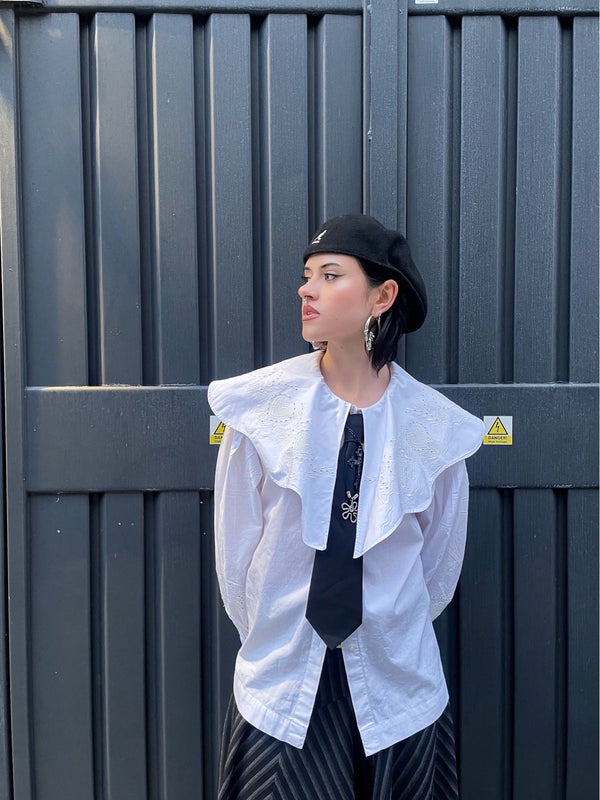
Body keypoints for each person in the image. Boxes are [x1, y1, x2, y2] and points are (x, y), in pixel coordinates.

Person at [208, 214, 485, 800]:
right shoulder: (258, 412)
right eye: (307, 274)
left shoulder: (435, 430)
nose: (306, 289)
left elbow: (436, 571)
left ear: (382, 297)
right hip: (282, 689)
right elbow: (237, 562)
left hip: (399, 694)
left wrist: (385, 629)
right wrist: (281, 634)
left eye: (330, 275)